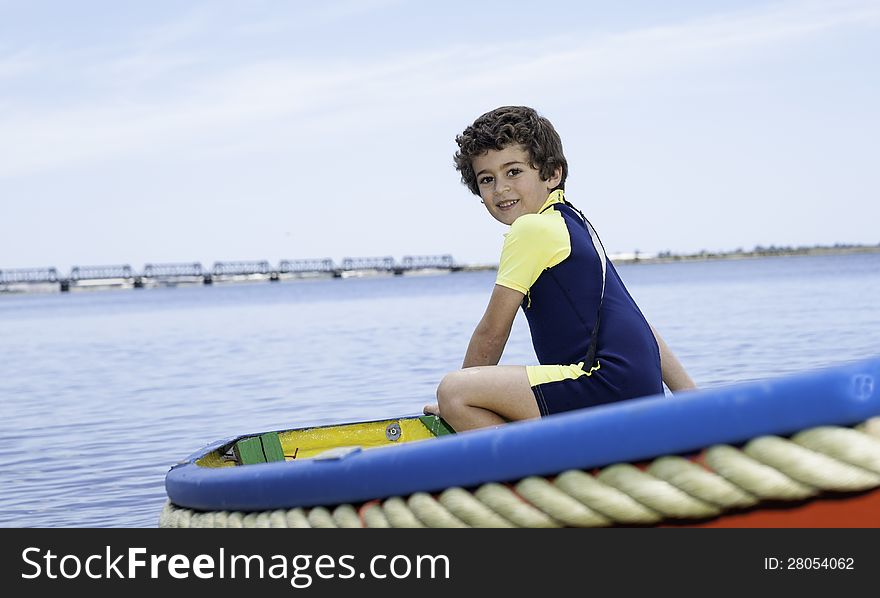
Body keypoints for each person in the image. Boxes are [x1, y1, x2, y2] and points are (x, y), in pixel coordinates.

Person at [423, 106, 696, 432]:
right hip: (635, 389)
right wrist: (690, 401)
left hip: (603, 386)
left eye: (513, 172)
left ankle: (521, 473)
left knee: (456, 391)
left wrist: (451, 409)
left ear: (552, 174)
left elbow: (492, 331)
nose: (500, 189)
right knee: (486, 394)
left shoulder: (530, 230)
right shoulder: (574, 225)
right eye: (487, 179)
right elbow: (638, 324)